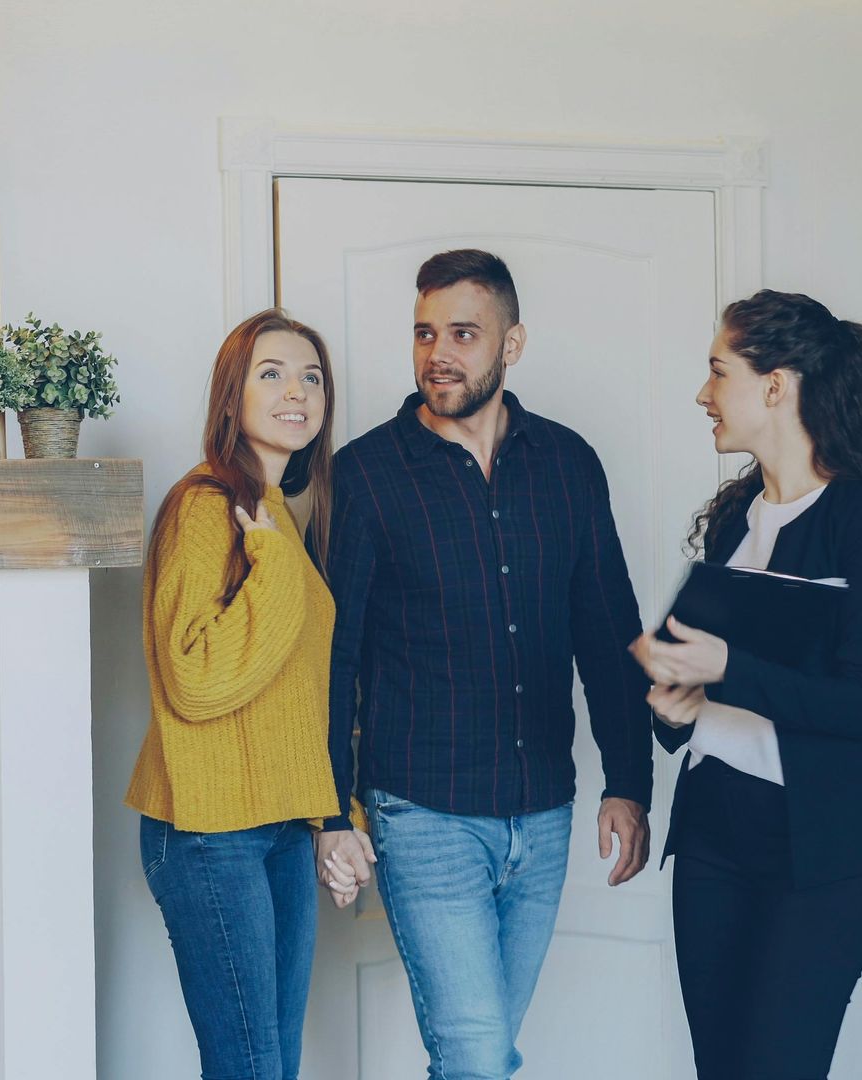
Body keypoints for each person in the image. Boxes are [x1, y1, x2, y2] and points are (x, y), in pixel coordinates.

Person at [319, 249, 655, 1079]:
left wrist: (629, 781)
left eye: (464, 333)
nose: (440, 353)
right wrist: (330, 810)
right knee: (476, 1058)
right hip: (422, 812)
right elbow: (334, 655)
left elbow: (610, 631)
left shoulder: (569, 464)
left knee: (482, 1056)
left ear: (512, 344)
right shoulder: (365, 475)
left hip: (543, 814)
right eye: (425, 332)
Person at [630, 290, 862, 1079]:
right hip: (712, 837)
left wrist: (727, 670)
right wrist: (673, 704)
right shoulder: (732, 519)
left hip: (820, 855)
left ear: (776, 385)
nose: (703, 395)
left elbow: (857, 704)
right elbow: (695, 710)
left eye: (718, 372)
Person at [126, 308, 364, 1080]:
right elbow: (196, 681)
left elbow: (301, 696)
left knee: (270, 1069)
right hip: (209, 830)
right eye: (272, 373)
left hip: (281, 827)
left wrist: (335, 818)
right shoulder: (205, 507)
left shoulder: (276, 518)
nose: (296, 390)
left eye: (312, 377)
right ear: (231, 398)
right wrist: (269, 567)